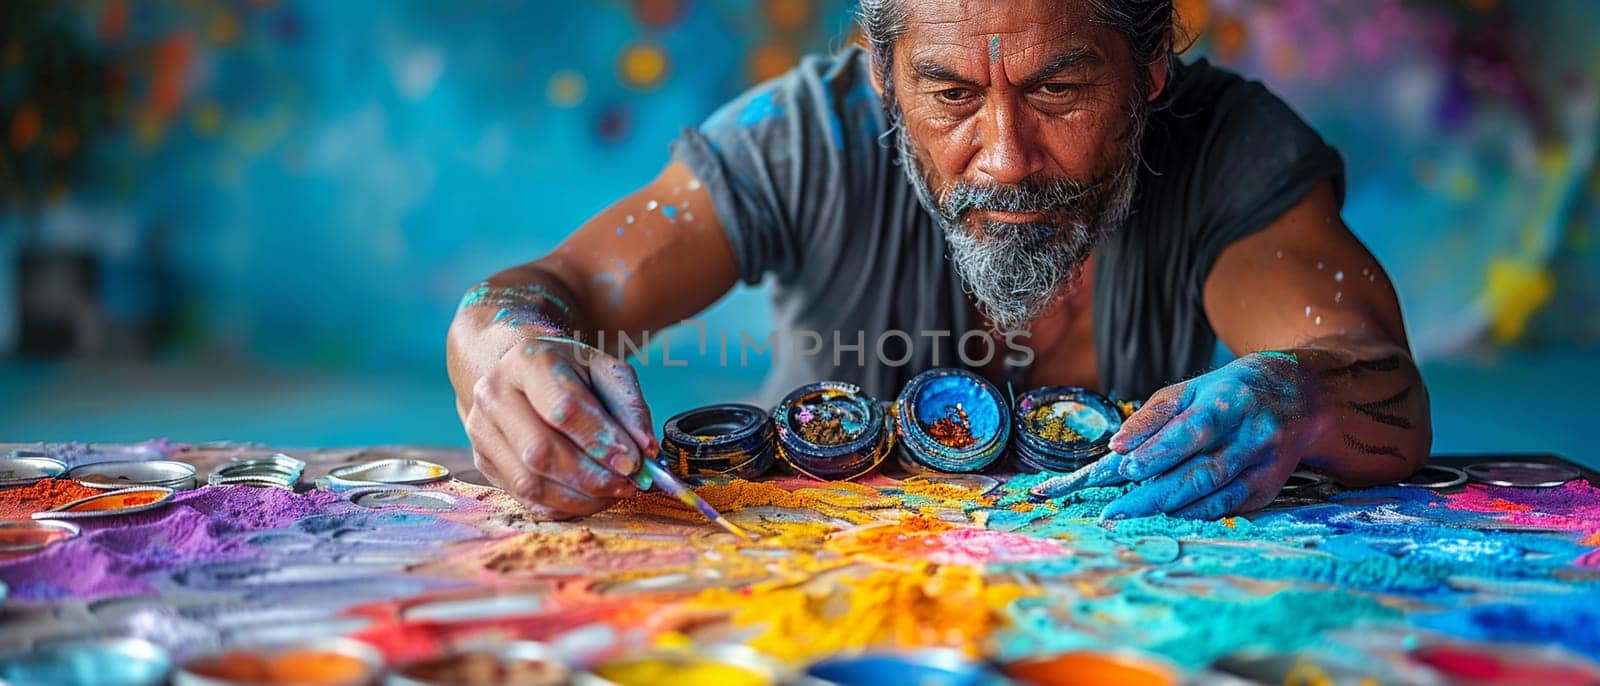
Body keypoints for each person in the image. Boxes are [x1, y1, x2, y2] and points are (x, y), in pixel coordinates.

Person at [446, 0, 1431, 522]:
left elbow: (1369, 369)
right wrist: (507, 356)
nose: (1004, 157)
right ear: (883, 79)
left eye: (1057, 90)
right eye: (950, 95)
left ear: (1149, 75)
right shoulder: (801, 137)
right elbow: (541, 293)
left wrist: (1299, 398)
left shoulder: (1230, 146)